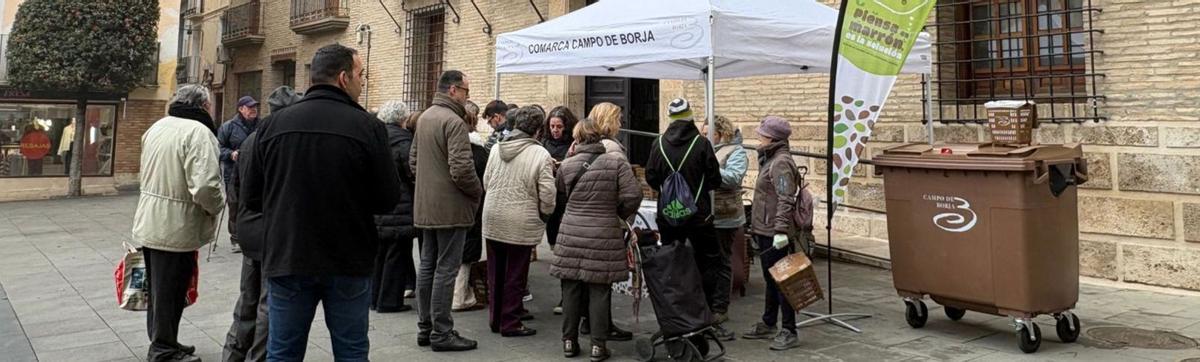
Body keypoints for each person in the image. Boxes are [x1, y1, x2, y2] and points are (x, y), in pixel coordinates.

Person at [242, 44, 402, 361]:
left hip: (288, 255)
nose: (363, 82)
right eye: (361, 75)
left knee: (283, 352)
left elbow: (251, 197)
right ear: (343, 78)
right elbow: (387, 199)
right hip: (348, 258)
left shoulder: (272, 125)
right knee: (352, 351)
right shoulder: (368, 127)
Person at [132, 84, 224, 362]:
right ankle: (162, 349)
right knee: (170, 290)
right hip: (176, 225)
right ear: (204, 106)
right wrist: (218, 205)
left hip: (151, 220)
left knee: (160, 291)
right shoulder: (198, 133)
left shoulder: (158, 127)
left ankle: (165, 341)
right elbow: (206, 187)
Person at [552, 116, 642, 362]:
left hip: (570, 231)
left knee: (570, 287)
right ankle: (598, 346)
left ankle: (568, 342)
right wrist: (617, 214)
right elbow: (633, 195)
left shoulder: (567, 165)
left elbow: (560, 194)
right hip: (603, 231)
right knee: (599, 289)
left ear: (577, 138)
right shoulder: (615, 164)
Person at [222, 85, 301, 362]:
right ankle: (258, 357)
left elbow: (236, 190)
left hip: (250, 230)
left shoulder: (251, 140)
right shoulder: (286, 143)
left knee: (247, 297)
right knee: (269, 302)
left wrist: (237, 225)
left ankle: (233, 353)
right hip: (273, 232)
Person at [410, 69, 483, 352]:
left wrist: (431, 185)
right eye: (466, 91)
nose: (467, 96)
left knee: (428, 266)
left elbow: (414, 163)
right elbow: (462, 169)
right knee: (445, 269)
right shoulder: (454, 121)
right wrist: (477, 192)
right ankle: (441, 332)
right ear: (453, 90)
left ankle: (425, 327)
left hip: (427, 206)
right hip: (451, 208)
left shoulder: (426, 117)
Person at [643, 98, 723, 330]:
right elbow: (715, 179)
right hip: (699, 215)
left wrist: (669, 189)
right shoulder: (701, 143)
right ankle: (705, 311)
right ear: (690, 116)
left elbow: (651, 176)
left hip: (668, 216)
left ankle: (676, 311)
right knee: (708, 261)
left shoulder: (658, 143)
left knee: (672, 261)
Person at [481, 106, 555, 338]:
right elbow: (548, 193)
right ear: (538, 130)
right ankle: (510, 322)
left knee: (496, 271)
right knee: (515, 273)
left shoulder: (496, 148)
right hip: (520, 219)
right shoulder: (539, 154)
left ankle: (496, 318)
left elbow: (486, 182)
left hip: (493, 214)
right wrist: (545, 213)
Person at [742, 116, 802, 351]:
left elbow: (785, 197)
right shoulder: (771, 159)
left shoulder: (781, 163)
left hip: (774, 231)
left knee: (782, 281)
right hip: (764, 228)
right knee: (771, 279)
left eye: (762, 134)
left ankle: (789, 329)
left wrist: (779, 230)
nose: (758, 137)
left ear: (772, 138)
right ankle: (769, 322)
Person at [697, 115, 747, 341]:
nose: (704, 136)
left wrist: (709, 169)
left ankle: (720, 308)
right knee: (707, 261)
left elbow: (734, 178)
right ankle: (705, 303)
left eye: (708, 133)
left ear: (722, 133)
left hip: (725, 215)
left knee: (722, 261)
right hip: (707, 214)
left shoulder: (735, 152)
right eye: (703, 132)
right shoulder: (707, 148)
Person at [371, 100, 416, 314]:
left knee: (380, 253)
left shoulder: (374, 138)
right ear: (403, 119)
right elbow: (412, 172)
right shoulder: (404, 142)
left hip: (379, 204)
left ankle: (375, 297)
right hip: (401, 206)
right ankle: (389, 301)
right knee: (397, 255)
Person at [453, 100, 489, 312]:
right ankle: (460, 296)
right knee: (466, 251)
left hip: (447, 205)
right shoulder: (477, 150)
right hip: (470, 206)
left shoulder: (447, 145)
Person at [218, 96, 260, 253]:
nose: (253, 109)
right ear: (241, 109)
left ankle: (251, 236)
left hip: (255, 173)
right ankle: (235, 238)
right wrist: (231, 154)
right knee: (235, 206)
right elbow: (218, 148)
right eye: (250, 107)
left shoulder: (262, 125)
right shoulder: (228, 127)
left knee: (252, 204)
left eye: (255, 106)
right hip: (233, 174)